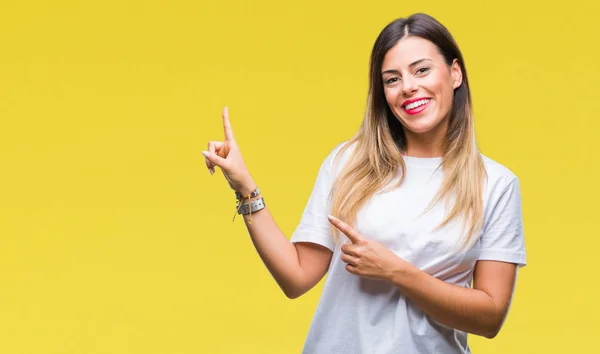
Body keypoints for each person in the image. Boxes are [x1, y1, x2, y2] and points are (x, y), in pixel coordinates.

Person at [202, 13, 526, 354]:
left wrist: (395, 271)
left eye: (421, 70)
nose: (408, 87)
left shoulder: (496, 184)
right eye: (391, 79)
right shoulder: (349, 164)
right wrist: (243, 186)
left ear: (455, 73)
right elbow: (296, 277)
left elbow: (490, 318)